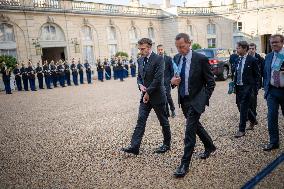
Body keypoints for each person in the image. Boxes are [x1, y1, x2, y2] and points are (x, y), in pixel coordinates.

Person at [171, 33, 216, 178]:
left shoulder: (201, 59)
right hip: (183, 100)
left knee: (189, 131)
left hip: (196, 100)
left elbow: (211, 82)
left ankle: (184, 164)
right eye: (177, 47)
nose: (180, 50)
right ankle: (210, 146)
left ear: (189, 43)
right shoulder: (177, 58)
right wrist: (173, 82)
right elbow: (175, 78)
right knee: (196, 125)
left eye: (182, 47)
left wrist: (203, 99)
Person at [121, 38, 171, 155]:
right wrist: (140, 85)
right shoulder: (139, 60)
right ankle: (134, 146)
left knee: (163, 121)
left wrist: (148, 92)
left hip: (157, 96)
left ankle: (167, 144)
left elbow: (158, 79)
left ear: (149, 47)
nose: (140, 51)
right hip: (145, 97)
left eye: (142, 49)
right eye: (139, 49)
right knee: (141, 120)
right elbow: (139, 77)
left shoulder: (159, 59)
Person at [233, 41, 260, 138]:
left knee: (244, 107)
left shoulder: (252, 60)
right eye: (237, 48)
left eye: (238, 48)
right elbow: (235, 73)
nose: (237, 49)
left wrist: (255, 89)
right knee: (240, 105)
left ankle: (241, 130)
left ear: (245, 49)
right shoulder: (237, 59)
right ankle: (253, 120)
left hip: (248, 87)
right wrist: (233, 84)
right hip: (238, 87)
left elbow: (257, 75)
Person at [262, 34, 284, 151]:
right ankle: (274, 142)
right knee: (271, 117)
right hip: (272, 91)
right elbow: (265, 73)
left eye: (276, 42)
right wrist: (266, 88)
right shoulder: (269, 56)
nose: (274, 44)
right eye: (272, 43)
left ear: (282, 42)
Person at [157, 44, 176, 118]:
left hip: (167, 81)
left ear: (163, 50)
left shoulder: (168, 59)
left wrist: (171, 80)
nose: (160, 51)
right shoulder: (155, 59)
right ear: (157, 50)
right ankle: (166, 112)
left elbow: (172, 70)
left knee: (168, 96)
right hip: (159, 82)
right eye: (159, 50)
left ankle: (173, 109)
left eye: (161, 49)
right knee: (162, 97)